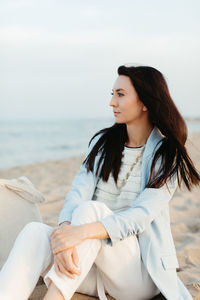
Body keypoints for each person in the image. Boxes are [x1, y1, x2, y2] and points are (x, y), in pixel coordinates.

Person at [0, 64, 199, 300]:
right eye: (112, 94)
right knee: (34, 232)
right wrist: (66, 233)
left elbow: (140, 216)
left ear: (145, 102)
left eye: (121, 94)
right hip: (88, 267)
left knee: (91, 210)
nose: (112, 102)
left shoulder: (166, 154)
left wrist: (81, 232)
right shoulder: (104, 144)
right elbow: (77, 193)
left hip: (136, 276)